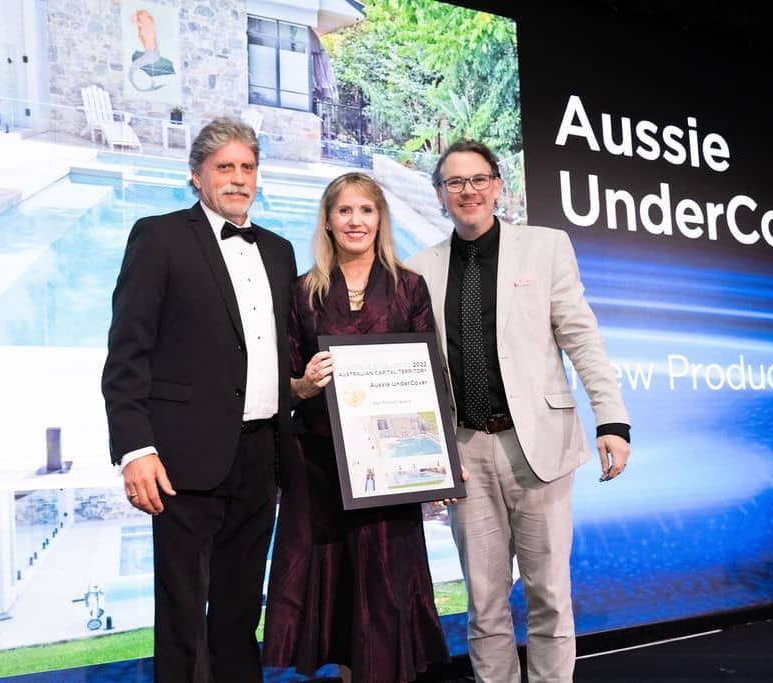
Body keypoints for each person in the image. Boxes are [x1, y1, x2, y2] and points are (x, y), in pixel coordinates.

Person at [407, 138, 632, 683]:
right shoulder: (417, 270)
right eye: (455, 182)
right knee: (484, 604)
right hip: (465, 454)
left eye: (478, 179)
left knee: (549, 595)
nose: (468, 191)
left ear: (497, 186)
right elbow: (416, 372)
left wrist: (612, 419)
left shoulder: (545, 247)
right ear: (439, 194)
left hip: (539, 447)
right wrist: (431, 457)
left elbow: (581, 337)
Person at [101, 117, 296, 682]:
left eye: (247, 167)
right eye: (224, 167)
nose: (238, 178)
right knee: (183, 617)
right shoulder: (159, 237)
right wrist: (135, 449)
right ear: (196, 175)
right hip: (183, 459)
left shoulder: (279, 251)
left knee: (241, 610)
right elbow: (127, 353)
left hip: (262, 457)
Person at [263, 172, 449, 683]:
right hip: (322, 469)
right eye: (344, 210)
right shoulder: (302, 292)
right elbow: (285, 383)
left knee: (387, 590)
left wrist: (438, 464)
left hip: (390, 470)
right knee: (340, 593)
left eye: (366, 210)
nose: (355, 221)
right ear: (327, 220)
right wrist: (304, 385)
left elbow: (430, 378)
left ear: (380, 219)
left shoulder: (409, 287)